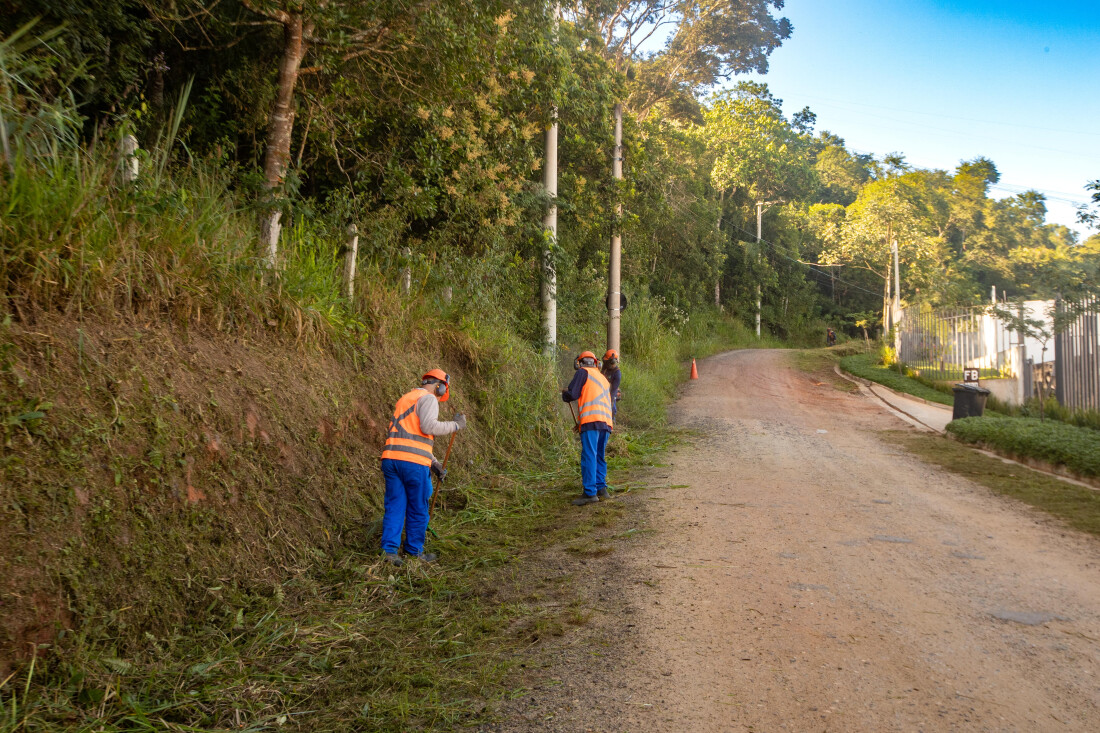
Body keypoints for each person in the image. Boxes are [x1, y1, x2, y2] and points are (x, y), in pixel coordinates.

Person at [380, 369, 466, 566]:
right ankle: (414, 551)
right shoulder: (428, 399)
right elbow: (429, 427)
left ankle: (389, 552)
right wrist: (456, 425)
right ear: (440, 385)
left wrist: (434, 462)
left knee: (395, 506)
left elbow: (411, 436)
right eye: (444, 389)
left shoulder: (407, 398)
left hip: (391, 459)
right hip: (412, 463)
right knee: (418, 508)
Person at [561, 351, 613, 506]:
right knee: (599, 455)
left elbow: (573, 394)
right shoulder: (602, 377)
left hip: (591, 421)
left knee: (589, 455)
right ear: (596, 363)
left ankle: (590, 493)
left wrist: (565, 394)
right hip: (606, 421)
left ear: (579, 363)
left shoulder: (583, 373)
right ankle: (601, 488)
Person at [601, 348, 622, 418]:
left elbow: (614, 389)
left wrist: (610, 401)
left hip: (611, 391)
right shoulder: (605, 367)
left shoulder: (617, 373)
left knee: (612, 409)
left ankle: (612, 420)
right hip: (602, 389)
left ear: (612, 362)